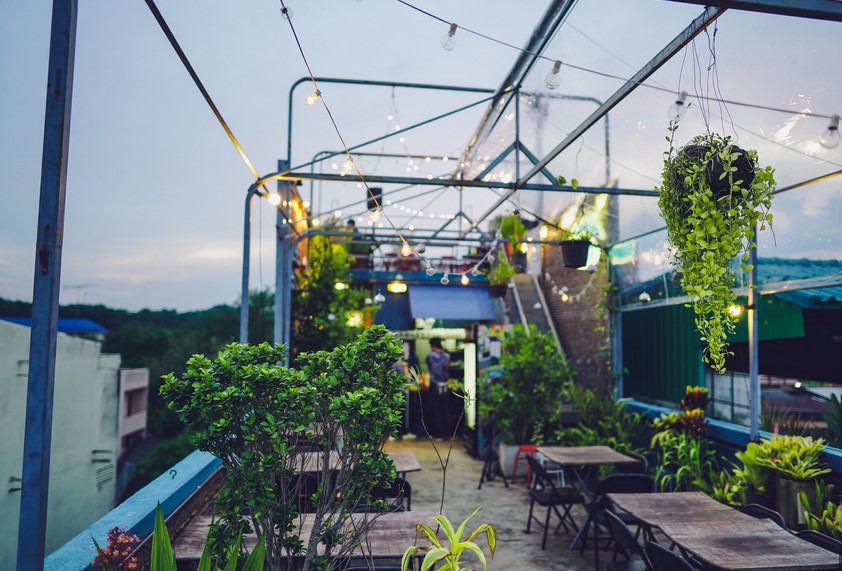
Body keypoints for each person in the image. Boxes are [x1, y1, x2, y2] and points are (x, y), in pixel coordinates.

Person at [425, 337, 451, 439]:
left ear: (433, 346)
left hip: (434, 386)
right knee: (445, 410)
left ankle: (437, 433)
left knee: (435, 410)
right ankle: (447, 433)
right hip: (444, 385)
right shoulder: (447, 356)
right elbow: (448, 369)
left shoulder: (430, 356)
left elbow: (430, 368)